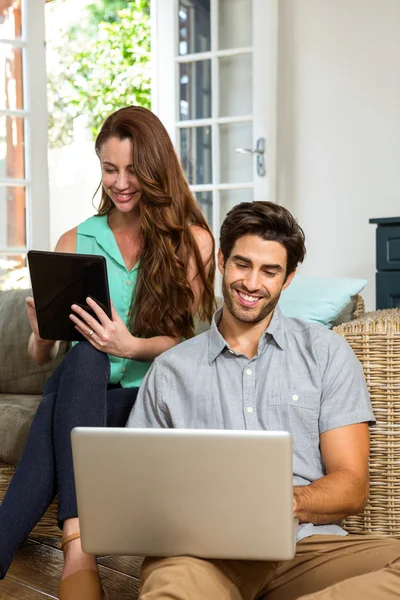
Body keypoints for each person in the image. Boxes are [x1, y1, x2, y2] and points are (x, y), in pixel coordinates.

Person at [127, 201, 400, 600]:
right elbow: (139, 490)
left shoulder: (326, 354)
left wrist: (285, 501)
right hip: (203, 554)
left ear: (288, 279)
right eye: (242, 264)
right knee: (172, 588)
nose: (252, 283)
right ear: (221, 260)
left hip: (307, 547)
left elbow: (352, 486)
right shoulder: (170, 371)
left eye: (269, 271)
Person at [0, 106, 215, 600]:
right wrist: (42, 333)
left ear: (157, 167)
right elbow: (41, 357)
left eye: (133, 169)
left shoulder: (193, 243)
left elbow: (190, 348)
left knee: (62, 403)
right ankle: (80, 545)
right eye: (109, 168)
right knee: (85, 358)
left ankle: (61, 548)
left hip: (142, 396)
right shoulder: (76, 239)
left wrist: (132, 345)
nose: (119, 183)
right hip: (79, 381)